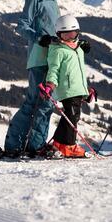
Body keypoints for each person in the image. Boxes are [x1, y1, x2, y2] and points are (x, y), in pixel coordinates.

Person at [0, 0, 62, 158]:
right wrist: (40, 38)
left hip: (51, 56)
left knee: (45, 103)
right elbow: (22, 25)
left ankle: (35, 144)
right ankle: (19, 144)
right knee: (36, 102)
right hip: (38, 57)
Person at [39, 14, 93, 158]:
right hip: (67, 89)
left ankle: (59, 143)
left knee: (69, 117)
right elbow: (53, 70)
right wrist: (49, 86)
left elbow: (79, 72)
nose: (70, 38)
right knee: (73, 116)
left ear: (78, 33)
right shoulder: (57, 50)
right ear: (58, 35)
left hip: (77, 89)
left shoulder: (78, 49)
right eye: (66, 35)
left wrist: (86, 90)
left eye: (73, 34)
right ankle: (69, 146)